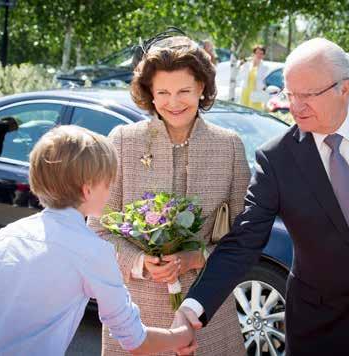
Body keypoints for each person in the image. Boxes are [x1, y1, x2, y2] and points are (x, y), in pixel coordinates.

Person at [176, 38, 349, 356]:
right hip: (317, 332)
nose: (295, 106)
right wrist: (193, 308)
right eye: (290, 94)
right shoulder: (276, 158)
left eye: (308, 95)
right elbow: (243, 241)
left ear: (344, 89)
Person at [87, 35, 250, 356]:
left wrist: (198, 256)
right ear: (150, 93)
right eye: (163, 92)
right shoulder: (122, 141)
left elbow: (243, 238)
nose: (173, 102)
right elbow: (98, 230)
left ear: (202, 87)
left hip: (208, 315)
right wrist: (138, 261)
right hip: (135, 320)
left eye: (184, 91)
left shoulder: (229, 145)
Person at [0, 125, 194, 356]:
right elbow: (136, 341)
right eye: (108, 183)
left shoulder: (12, 232)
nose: (111, 189)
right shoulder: (93, 252)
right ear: (86, 191)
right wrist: (182, 334)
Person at [239, 44, 270, 110]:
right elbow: (240, 74)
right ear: (253, 54)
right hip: (246, 91)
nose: (259, 55)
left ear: (263, 55)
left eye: (261, 53)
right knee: (243, 109)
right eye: (257, 53)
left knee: (254, 111)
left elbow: (265, 82)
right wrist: (245, 61)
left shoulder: (265, 67)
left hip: (256, 92)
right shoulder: (247, 64)